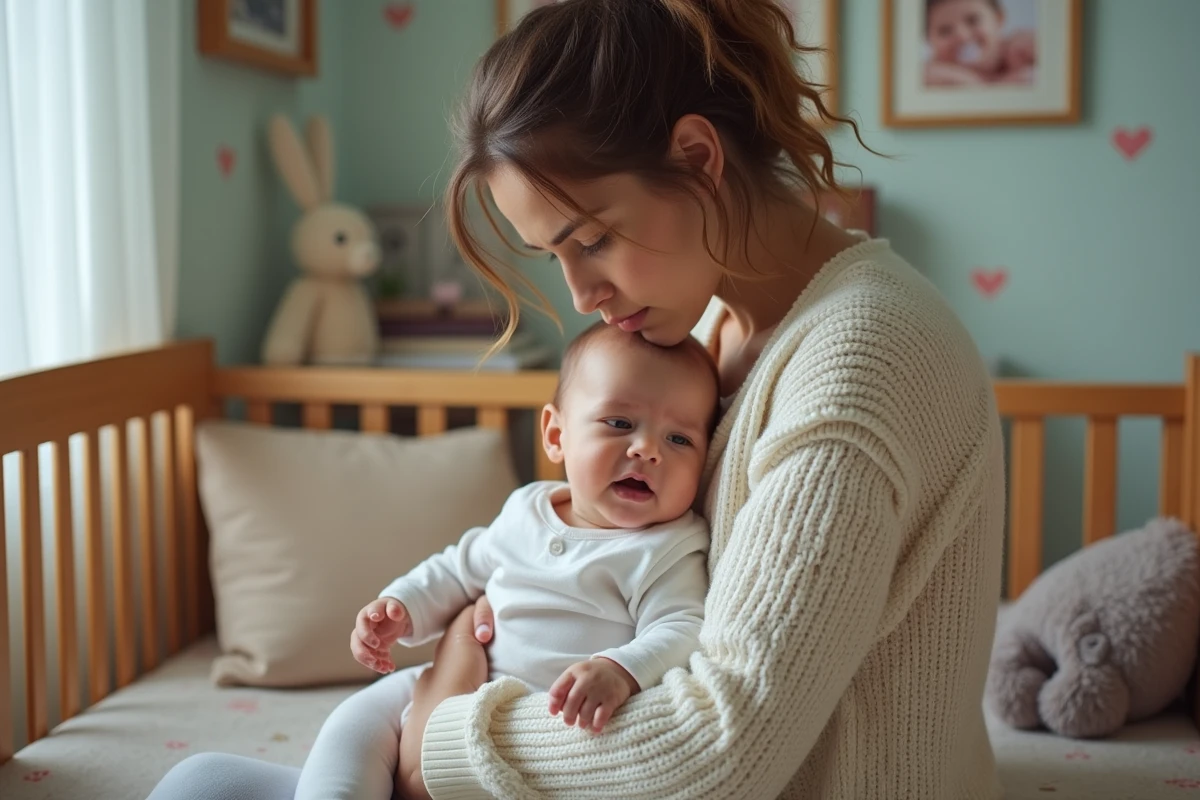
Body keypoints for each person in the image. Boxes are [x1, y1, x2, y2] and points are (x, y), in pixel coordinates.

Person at [148, 0, 1006, 798]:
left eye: (592, 238)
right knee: (196, 785)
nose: (583, 293)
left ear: (699, 160)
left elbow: (722, 746)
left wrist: (434, 736)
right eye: (553, 255)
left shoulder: (860, 361)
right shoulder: (714, 334)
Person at [292, 323, 718, 799]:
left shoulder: (667, 548)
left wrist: (621, 670)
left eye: (680, 440)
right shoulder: (527, 510)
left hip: (523, 724)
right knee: (355, 720)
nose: (647, 450)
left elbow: (683, 626)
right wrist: (401, 606)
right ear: (556, 435)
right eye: (619, 424)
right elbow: (459, 568)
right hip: (436, 685)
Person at [924, 0, 1037, 87]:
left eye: (972, 20)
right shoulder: (931, 76)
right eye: (945, 30)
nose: (962, 37)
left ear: (998, 19)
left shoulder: (1023, 50)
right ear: (929, 40)